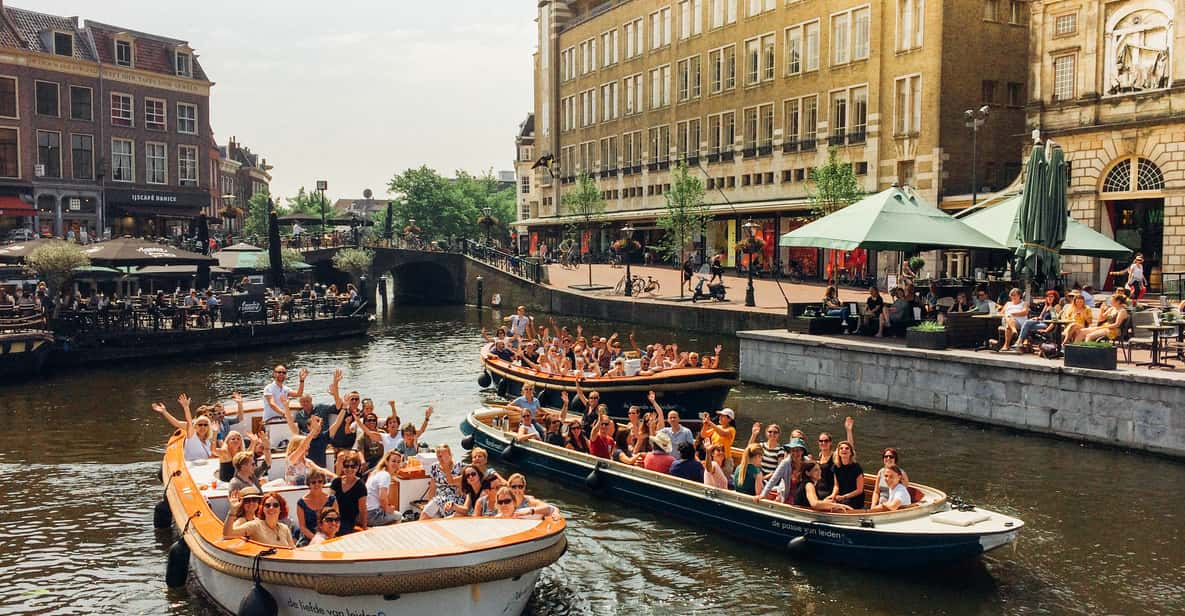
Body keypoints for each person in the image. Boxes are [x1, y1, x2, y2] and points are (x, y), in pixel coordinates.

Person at [151, 394, 213, 461]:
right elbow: (180, 422)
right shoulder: (192, 432)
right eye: (200, 424)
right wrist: (186, 407)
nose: (203, 426)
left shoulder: (209, 436)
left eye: (205, 425)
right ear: (196, 424)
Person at [222, 492, 296, 548]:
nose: (271, 508)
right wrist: (232, 510)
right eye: (267, 505)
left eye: (275, 505)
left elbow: (293, 550)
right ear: (263, 509)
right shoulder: (255, 525)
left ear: (281, 509)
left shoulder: (285, 528)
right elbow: (228, 534)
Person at [755, 437, 807, 503]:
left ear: (802, 451)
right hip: (788, 496)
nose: (795, 453)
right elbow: (773, 480)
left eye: (797, 450)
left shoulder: (807, 462)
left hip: (803, 497)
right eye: (793, 450)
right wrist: (763, 495)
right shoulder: (785, 463)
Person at [330, 450, 368, 534]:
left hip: (348, 522)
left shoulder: (360, 486)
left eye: (353, 466)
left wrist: (364, 527)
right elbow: (330, 503)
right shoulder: (336, 482)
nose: (349, 469)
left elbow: (363, 509)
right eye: (346, 466)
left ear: (357, 468)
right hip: (333, 519)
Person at [295, 469, 337, 545]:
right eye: (313, 482)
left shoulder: (332, 500)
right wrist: (316, 539)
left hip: (329, 534)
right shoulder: (301, 503)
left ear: (323, 482)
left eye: (320, 481)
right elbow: (302, 527)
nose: (317, 484)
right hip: (309, 537)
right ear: (309, 484)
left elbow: (336, 521)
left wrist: (329, 537)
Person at [423, 444, 465, 519]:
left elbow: (461, 487)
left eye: (444, 456)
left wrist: (446, 467)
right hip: (439, 497)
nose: (442, 458)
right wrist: (429, 502)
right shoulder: (434, 467)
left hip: (455, 497)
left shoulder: (459, 466)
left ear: (450, 455)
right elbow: (432, 488)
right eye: (439, 456)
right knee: (425, 512)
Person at [365, 450, 404, 526]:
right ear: (386, 461)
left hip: (365, 512)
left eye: (398, 462)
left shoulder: (377, 473)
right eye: (393, 461)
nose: (396, 464)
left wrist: (387, 507)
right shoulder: (385, 475)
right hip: (372, 515)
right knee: (399, 516)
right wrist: (387, 508)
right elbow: (382, 497)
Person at [699, 408, 736, 474]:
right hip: (714, 458)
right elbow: (703, 435)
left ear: (729, 419)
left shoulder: (731, 429)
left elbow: (722, 433)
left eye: (723, 416)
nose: (720, 417)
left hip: (725, 460)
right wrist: (705, 424)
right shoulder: (717, 427)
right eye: (720, 416)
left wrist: (710, 422)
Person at [830, 440, 865, 509]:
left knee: (839, 508)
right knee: (826, 502)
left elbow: (859, 490)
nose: (844, 450)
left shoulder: (856, 467)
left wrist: (844, 497)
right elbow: (836, 486)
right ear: (838, 453)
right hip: (841, 496)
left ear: (851, 453)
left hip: (854, 498)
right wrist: (833, 495)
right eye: (841, 448)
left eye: (847, 448)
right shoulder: (836, 467)